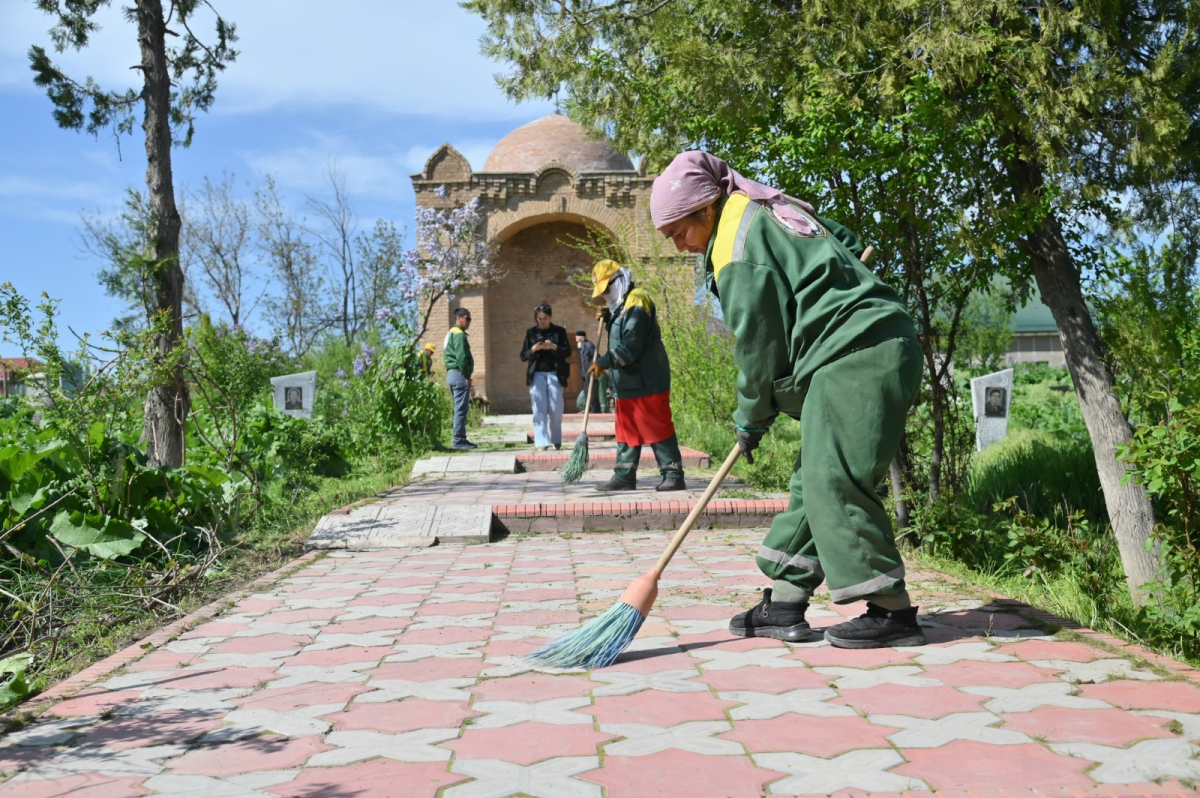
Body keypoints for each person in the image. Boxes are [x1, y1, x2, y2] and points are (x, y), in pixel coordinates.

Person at [650, 151, 925, 649]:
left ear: (705, 208)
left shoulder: (735, 245)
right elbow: (847, 242)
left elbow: (758, 344)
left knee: (832, 480)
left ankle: (891, 612)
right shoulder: (765, 208)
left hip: (858, 352)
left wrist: (750, 416)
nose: (679, 245)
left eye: (678, 231)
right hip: (864, 348)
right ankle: (784, 601)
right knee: (812, 479)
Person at [588, 259, 685, 492]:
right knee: (626, 429)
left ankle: (673, 474)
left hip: (647, 379)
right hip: (626, 383)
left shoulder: (638, 299)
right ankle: (624, 476)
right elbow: (621, 329)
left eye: (607, 289)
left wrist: (603, 362)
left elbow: (632, 344)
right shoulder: (620, 306)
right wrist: (609, 317)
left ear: (618, 280)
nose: (606, 295)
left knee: (656, 426)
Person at [521, 303, 571, 450]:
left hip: (555, 373)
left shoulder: (559, 332)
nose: (541, 321)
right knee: (539, 408)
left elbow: (567, 352)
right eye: (539, 318)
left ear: (550, 317)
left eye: (544, 318)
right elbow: (523, 355)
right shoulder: (531, 332)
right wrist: (534, 349)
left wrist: (554, 347)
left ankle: (556, 438)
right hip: (536, 374)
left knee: (556, 407)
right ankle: (542, 442)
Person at [443, 308, 477, 450]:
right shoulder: (458, 335)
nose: (469, 322)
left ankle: (461, 438)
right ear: (459, 318)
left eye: (470, 319)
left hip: (452, 374)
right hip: (459, 374)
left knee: (459, 408)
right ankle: (458, 440)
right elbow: (462, 357)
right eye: (467, 318)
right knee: (461, 409)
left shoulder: (450, 333)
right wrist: (467, 375)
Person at [574, 330, 601, 413]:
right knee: (587, 392)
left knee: (592, 392)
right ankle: (588, 409)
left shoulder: (589, 346)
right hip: (586, 375)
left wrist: (592, 370)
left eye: (577, 337)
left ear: (582, 338)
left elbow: (597, 357)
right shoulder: (582, 346)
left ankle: (595, 410)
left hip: (591, 374)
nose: (575, 339)